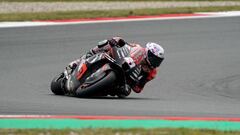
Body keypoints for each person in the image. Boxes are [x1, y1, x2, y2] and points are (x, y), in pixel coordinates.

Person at [67, 37, 164, 97]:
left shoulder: (152, 73)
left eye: (158, 61)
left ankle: (98, 89)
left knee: (125, 92)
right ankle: (80, 60)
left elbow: (138, 88)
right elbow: (125, 44)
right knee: (105, 44)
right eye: (154, 58)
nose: (155, 63)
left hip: (125, 79)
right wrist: (117, 41)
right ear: (148, 53)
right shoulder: (139, 50)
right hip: (118, 59)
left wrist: (134, 83)